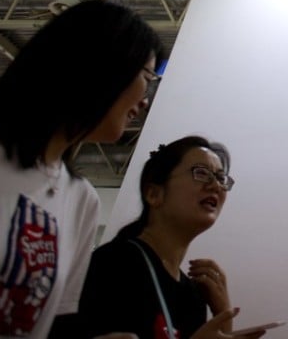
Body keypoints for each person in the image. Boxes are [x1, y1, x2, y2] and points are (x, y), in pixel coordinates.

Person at [0, 0, 164, 339]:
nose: (146, 99)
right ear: (101, 65)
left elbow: (52, 325)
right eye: (147, 77)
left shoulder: (81, 201)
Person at [72, 136, 267, 339]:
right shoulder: (115, 263)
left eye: (220, 178)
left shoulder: (193, 294)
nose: (215, 186)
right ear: (154, 194)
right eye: (201, 173)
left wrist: (224, 314)